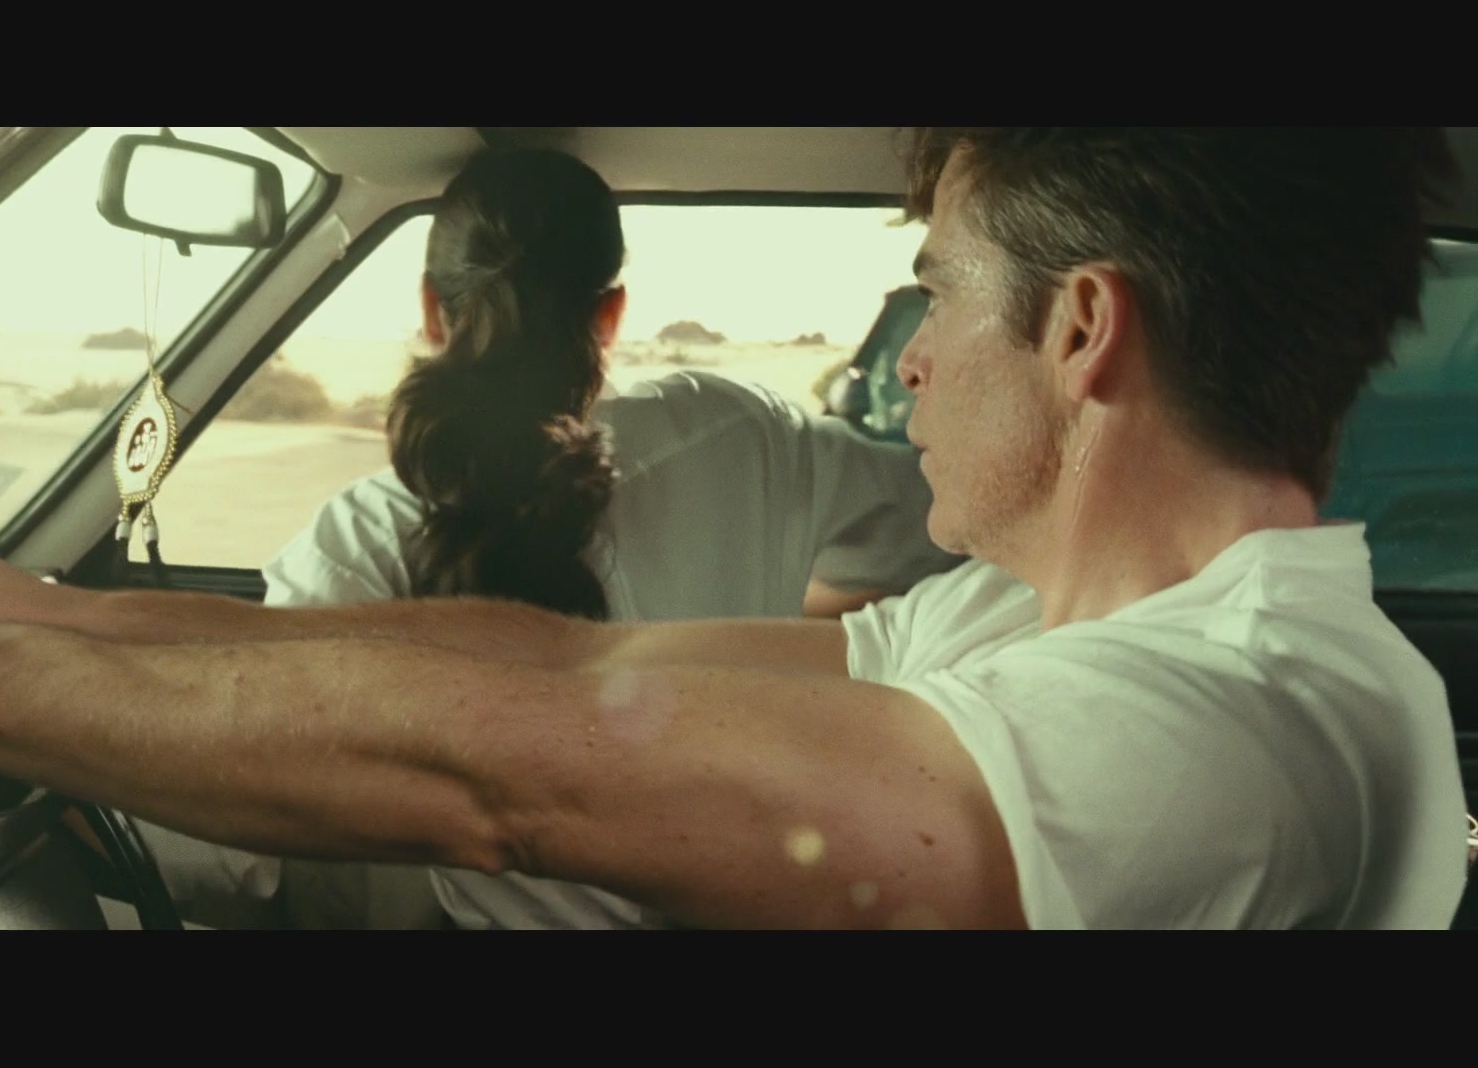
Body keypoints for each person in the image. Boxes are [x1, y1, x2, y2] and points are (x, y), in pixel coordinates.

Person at [0, 128, 1474, 929]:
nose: (909, 362)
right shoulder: (1021, 626)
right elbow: (560, 668)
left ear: (1081, 331)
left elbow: (520, 778)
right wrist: (46, 620)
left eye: (936, 294)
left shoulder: (1229, 732)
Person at [118, 147, 959, 929]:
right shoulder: (748, 436)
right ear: (611, 313)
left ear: (432, 309)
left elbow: (250, 845)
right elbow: (943, 533)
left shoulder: (360, 538)